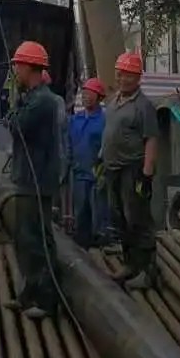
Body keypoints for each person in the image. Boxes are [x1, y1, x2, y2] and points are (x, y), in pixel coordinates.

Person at [4, 40, 69, 321]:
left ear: (30, 67)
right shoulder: (31, 96)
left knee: (37, 240)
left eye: (18, 65)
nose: (15, 70)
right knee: (24, 239)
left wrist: (12, 107)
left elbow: (15, 125)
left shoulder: (42, 100)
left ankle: (47, 300)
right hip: (28, 178)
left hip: (37, 180)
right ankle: (29, 292)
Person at [101, 51, 159, 292]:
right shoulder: (113, 101)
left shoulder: (144, 106)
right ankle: (129, 263)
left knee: (137, 218)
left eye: (127, 75)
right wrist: (100, 158)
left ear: (137, 78)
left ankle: (148, 270)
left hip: (133, 169)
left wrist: (147, 173)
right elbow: (109, 132)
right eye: (119, 74)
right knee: (118, 217)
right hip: (112, 167)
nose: (122, 78)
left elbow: (151, 140)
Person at [69, 77, 108, 250]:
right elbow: (68, 143)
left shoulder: (104, 121)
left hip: (97, 176)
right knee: (80, 214)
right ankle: (82, 246)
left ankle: (100, 247)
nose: (85, 97)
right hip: (78, 174)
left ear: (99, 97)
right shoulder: (76, 119)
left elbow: (107, 146)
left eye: (89, 94)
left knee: (99, 214)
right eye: (84, 93)